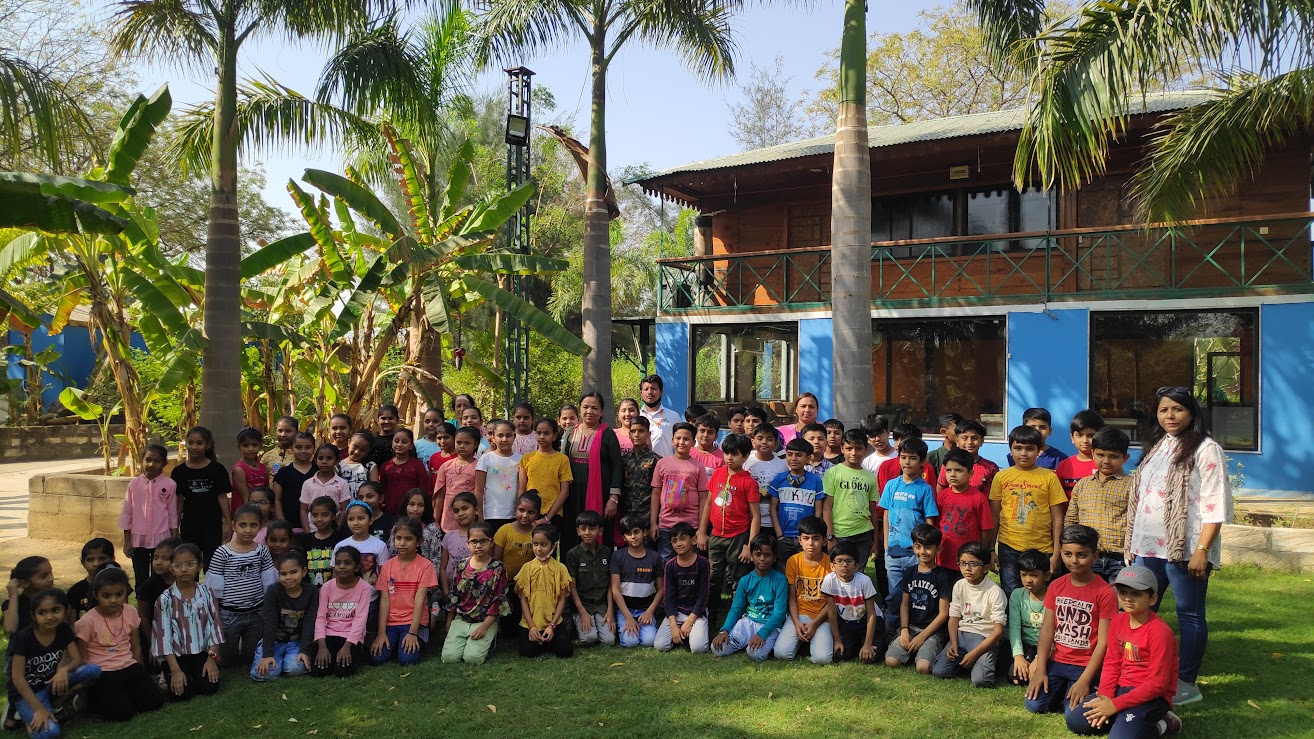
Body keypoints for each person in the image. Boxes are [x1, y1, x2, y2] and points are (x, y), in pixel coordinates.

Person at [1125, 386, 1231, 706]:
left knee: (1190, 615)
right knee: (1139, 611)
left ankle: (1186, 681)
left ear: (1192, 413)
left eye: (1177, 409)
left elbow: (1215, 504)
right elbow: (1141, 497)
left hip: (1185, 549)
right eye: (1163, 410)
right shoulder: (1158, 446)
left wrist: (1201, 550)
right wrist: (1132, 541)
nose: (1170, 416)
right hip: (1148, 547)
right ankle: (1138, 672)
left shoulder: (1206, 448)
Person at [1071, 565, 1183, 738]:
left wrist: (1116, 705)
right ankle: (1123, 720)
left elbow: (1158, 684)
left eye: (1136, 594)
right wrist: (1106, 697)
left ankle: (1163, 724)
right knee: (1075, 721)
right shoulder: (1118, 621)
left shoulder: (1160, 633)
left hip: (1150, 696)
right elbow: (1111, 663)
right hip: (1120, 688)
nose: (1128, 598)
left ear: (1152, 599)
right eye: (1123, 592)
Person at [1025, 526, 1117, 722]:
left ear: (1095, 556)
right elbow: (1047, 630)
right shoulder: (1057, 586)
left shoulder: (1105, 591)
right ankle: (1062, 692)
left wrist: (1085, 680)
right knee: (1033, 704)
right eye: (1067, 554)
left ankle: (1084, 690)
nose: (1073, 561)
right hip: (1058, 662)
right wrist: (1041, 668)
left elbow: (1104, 642)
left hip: (1086, 665)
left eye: (1081, 555)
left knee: (1075, 716)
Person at [9, 589, 101, 738]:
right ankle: (21, 712)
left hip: (53, 683)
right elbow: (17, 678)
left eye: (56, 610)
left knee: (93, 671)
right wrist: (38, 709)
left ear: (66, 611)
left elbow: (77, 659)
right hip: (28, 692)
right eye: (42, 612)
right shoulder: (23, 637)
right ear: (33, 615)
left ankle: (57, 703)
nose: (49, 617)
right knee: (49, 732)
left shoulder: (63, 629)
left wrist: (63, 670)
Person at [990, 425, 1067, 594]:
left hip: (1042, 548)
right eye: (1018, 448)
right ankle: (1013, 622)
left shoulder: (1049, 477)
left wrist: (1056, 553)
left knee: (1042, 594)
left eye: (1030, 449)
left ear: (1039, 451)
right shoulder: (1001, 477)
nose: (1023, 454)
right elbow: (994, 516)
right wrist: (990, 549)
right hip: (1009, 547)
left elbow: (1058, 517)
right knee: (1011, 592)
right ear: (1010, 449)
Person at [698, 434, 760, 625]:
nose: (729, 458)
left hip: (739, 538)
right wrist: (702, 532)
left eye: (735, 454)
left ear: (746, 456)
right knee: (713, 579)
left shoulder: (749, 482)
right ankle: (711, 619)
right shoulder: (717, 474)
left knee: (738, 580)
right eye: (726, 453)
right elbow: (708, 503)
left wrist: (749, 546)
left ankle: (736, 621)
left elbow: (755, 516)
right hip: (716, 535)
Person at [152, 543, 223, 701]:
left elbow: (215, 627)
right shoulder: (165, 599)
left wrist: (211, 660)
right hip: (176, 655)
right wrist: (175, 671)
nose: (184, 570)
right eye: (178, 566)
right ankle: (170, 673)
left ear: (199, 567)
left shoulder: (207, 593)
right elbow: (164, 637)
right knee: (181, 695)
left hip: (202, 652)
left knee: (209, 688)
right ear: (171, 569)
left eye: (190, 564)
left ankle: (196, 674)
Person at [208, 504, 276, 669]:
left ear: (260, 527)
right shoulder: (222, 553)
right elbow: (214, 588)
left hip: (255, 613)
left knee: (249, 658)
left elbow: (269, 582)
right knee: (226, 661)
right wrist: (216, 616)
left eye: (253, 525)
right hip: (229, 615)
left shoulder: (262, 551)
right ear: (234, 526)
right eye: (242, 525)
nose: (247, 530)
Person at [932, 541, 1007, 687]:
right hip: (962, 635)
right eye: (963, 563)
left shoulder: (995, 592)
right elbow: (954, 617)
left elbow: (998, 631)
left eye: (973, 564)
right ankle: (966, 661)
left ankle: (981, 661)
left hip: (985, 638)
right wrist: (953, 643)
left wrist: (975, 653)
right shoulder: (959, 585)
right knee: (939, 672)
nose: (967, 568)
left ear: (985, 568)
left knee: (981, 681)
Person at [879, 438, 940, 612]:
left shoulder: (925, 489)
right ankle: (892, 626)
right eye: (903, 457)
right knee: (894, 592)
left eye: (912, 458)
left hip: (916, 552)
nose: (907, 462)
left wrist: (929, 548)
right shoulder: (892, 485)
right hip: (893, 551)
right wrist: (885, 545)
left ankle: (914, 623)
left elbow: (930, 520)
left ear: (922, 462)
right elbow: (886, 514)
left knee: (917, 591)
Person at [1065, 427, 1133, 582]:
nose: (1106, 461)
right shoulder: (1083, 485)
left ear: (1125, 457)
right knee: (1088, 601)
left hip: (1120, 559)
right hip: (1087, 558)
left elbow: (1137, 521)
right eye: (1101, 455)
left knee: (1118, 602)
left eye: (1113, 456)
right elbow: (1071, 521)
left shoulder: (1133, 485)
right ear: (1093, 453)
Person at [884, 524, 952, 674]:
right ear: (913, 547)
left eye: (928, 547)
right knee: (891, 661)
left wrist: (922, 636)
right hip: (911, 628)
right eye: (918, 547)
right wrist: (904, 630)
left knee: (923, 667)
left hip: (932, 631)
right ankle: (912, 649)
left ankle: (924, 650)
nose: (923, 552)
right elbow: (904, 604)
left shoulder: (942, 577)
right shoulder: (909, 572)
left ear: (938, 550)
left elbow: (943, 614)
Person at [441, 521, 511, 665]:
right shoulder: (461, 566)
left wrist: (485, 626)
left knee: (472, 659)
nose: (478, 546)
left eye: (483, 541)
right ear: (468, 543)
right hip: (461, 619)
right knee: (450, 658)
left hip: (485, 620)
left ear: (491, 543)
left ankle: (489, 637)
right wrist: (449, 622)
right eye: (474, 541)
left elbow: (499, 599)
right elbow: (454, 595)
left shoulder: (498, 568)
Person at [711, 533, 788, 661]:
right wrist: (724, 631)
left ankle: (753, 641)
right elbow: (736, 609)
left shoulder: (780, 580)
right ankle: (746, 639)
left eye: (767, 555)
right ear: (751, 556)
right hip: (749, 621)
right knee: (717, 648)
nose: (762, 558)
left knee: (755, 654)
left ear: (774, 558)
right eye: (758, 554)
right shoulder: (745, 580)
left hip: (770, 625)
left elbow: (779, 613)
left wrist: (762, 634)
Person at [371, 520, 438, 665]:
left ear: (418, 542)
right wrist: (381, 632)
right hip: (391, 622)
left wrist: (413, 632)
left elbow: (420, 600)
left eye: (408, 539)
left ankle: (414, 639)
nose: (402, 543)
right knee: (378, 658)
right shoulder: (388, 566)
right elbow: (384, 600)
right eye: (398, 538)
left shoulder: (426, 566)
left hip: (413, 621)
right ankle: (396, 642)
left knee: (408, 659)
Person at [562, 393, 622, 553]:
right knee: (571, 532)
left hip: (600, 496)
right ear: (580, 409)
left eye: (595, 408)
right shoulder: (570, 433)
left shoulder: (607, 434)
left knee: (597, 531)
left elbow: (617, 467)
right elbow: (562, 463)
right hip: (572, 496)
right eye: (586, 407)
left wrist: (613, 498)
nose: (590, 411)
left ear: (601, 412)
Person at [822, 430, 881, 587]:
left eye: (858, 448)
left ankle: (858, 608)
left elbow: (873, 510)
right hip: (840, 533)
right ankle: (838, 609)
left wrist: (875, 541)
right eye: (849, 448)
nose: (854, 453)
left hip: (864, 534)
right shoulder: (833, 473)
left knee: (859, 575)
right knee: (839, 575)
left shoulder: (870, 477)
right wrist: (830, 536)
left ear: (865, 450)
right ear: (842, 449)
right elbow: (827, 507)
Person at [774, 516, 834, 664]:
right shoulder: (793, 561)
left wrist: (815, 624)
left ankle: (812, 641)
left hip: (822, 618)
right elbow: (792, 597)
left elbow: (832, 602)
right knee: (781, 653)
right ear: (799, 540)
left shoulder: (830, 565)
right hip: (799, 615)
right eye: (806, 538)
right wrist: (796, 622)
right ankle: (802, 641)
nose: (811, 544)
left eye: (816, 539)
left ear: (824, 541)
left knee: (822, 659)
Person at [251, 551, 318, 681]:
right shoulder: (273, 591)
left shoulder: (312, 591)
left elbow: (310, 622)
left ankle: (285, 661)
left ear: (304, 572)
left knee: (295, 669)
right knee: (261, 674)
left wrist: (304, 650)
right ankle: (275, 659)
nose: (288, 577)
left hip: (296, 642)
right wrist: (267, 654)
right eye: (283, 574)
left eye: (293, 572)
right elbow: (269, 622)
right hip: (274, 641)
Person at [171, 426, 233, 568]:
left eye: (199, 443)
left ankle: (210, 590)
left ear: (208, 445)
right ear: (185, 443)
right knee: (189, 562)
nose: (194, 447)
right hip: (189, 524)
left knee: (211, 564)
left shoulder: (217, 469)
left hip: (212, 525)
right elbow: (179, 501)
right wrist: (175, 526)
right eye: (191, 442)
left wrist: (228, 523)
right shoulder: (179, 472)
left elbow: (222, 497)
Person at [120, 444, 178, 590]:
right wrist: (127, 542)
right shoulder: (134, 485)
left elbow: (172, 513)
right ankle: (142, 606)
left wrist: (174, 540)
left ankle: (159, 606)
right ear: (141, 460)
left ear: (164, 464)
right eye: (148, 459)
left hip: (162, 537)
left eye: (157, 461)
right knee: (141, 576)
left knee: (160, 575)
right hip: (138, 538)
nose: (151, 464)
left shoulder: (170, 484)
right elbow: (127, 513)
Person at [650, 422, 711, 560]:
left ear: (693, 442)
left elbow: (704, 499)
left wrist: (701, 530)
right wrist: (654, 522)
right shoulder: (661, 464)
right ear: (672, 441)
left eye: (686, 439)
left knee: (690, 563)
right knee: (666, 562)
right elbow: (655, 494)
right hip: (666, 525)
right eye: (678, 438)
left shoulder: (698, 467)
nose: (681, 442)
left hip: (691, 525)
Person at [515, 523, 574, 659]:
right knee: (527, 652)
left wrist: (551, 626)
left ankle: (548, 638)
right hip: (531, 621)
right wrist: (531, 627)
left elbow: (562, 599)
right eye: (535, 544)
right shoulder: (526, 568)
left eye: (543, 545)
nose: (538, 549)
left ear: (553, 545)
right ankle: (539, 639)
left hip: (553, 621)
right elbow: (523, 599)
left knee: (566, 651)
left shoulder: (560, 569)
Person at [312, 547, 372, 678]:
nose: (342, 567)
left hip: (350, 636)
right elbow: (321, 617)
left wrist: (347, 646)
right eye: (338, 563)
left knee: (343, 671)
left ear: (356, 567)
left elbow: (360, 620)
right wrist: (321, 646)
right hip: (329, 634)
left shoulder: (364, 588)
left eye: (347, 563)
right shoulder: (327, 587)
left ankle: (354, 654)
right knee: (319, 670)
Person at [935, 448, 996, 574]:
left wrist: (982, 552)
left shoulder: (978, 498)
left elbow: (986, 528)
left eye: (958, 470)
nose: (952, 474)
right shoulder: (942, 495)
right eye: (948, 470)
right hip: (944, 556)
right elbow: (938, 522)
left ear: (971, 474)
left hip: (969, 560)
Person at [821, 542, 883, 663]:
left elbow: (871, 614)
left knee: (871, 657)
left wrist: (868, 644)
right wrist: (837, 640)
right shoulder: (829, 581)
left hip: (868, 621)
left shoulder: (864, 581)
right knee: (841, 655)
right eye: (839, 561)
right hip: (848, 622)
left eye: (849, 561)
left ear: (856, 565)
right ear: (832, 566)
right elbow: (832, 612)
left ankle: (876, 638)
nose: (844, 565)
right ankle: (854, 643)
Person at [610, 513, 664, 649]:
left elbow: (661, 589)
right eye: (628, 533)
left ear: (644, 532)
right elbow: (615, 590)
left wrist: (649, 611)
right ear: (623, 537)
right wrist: (628, 617)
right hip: (625, 610)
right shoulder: (618, 557)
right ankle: (623, 625)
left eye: (636, 532)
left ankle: (642, 626)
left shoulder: (654, 557)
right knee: (630, 642)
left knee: (649, 641)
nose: (633, 536)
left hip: (645, 609)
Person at [769, 438, 825, 568]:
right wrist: (779, 536)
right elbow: (773, 508)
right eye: (790, 454)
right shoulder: (779, 479)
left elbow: (818, 511)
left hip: (805, 538)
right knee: (783, 572)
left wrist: (811, 535)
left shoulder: (815, 481)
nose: (793, 458)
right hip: (784, 538)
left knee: (805, 570)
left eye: (799, 455)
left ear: (808, 458)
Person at [655, 522, 710, 653]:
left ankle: (690, 632)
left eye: (682, 539)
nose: (678, 544)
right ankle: (680, 634)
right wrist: (673, 626)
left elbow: (704, 595)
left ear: (693, 540)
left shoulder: (703, 563)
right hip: (676, 612)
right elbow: (669, 597)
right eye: (674, 541)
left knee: (698, 648)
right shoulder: (670, 566)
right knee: (660, 646)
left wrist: (690, 621)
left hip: (696, 613)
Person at [564, 510, 615, 647]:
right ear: (578, 531)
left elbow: (611, 584)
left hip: (602, 605)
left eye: (592, 529)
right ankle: (577, 622)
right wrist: (582, 612)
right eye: (583, 529)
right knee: (589, 639)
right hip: (583, 605)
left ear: (600, 531)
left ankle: (596, 623)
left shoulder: (607, 552)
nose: (587, 532)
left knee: (609, 641)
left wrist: (610, 610)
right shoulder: (573, 554)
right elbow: (572, 587)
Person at [518, 418, 573, 527]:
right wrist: (521, 512)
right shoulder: (526, 458)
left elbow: (564, 492)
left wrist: (548, 517)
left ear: (554, 436)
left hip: (553, 514)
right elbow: (522, 488)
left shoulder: (562, 459)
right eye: (539, 433)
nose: (542, 436)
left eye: (546, 433)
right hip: (530, 514)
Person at [1009, 549, 1050, 686]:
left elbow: (1055, 633)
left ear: (1047, 576)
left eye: (1034, 575)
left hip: (1048, 647)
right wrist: (1019, 656)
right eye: (1023, 575)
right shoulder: (1017, 595)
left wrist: (1040, 658)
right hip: (1027, 646)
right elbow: (1014, 628)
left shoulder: (1054, 596)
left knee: (1042, 673)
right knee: (1015, 676)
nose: (1028, 580)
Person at [333, 500, 390, 598]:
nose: (356, 523)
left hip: (371, 599)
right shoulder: (340, 545)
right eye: (351, 519)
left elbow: (383, 576)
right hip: (346, 599)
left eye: (361, 518)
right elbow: (335, 574)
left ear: (371, 520)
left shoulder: (379, 545)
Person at [618, 417, 660, 545]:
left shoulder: (656, 460)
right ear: (629, 434)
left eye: (641, 431)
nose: (636, 434)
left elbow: (658, 491)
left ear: (648, 434)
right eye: (633, 431)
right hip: (627, 516)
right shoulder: (623, 459)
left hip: (647, 518)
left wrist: (654, 521)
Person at [475, 420, 521, 531]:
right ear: (493, 438)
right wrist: (480, 514)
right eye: (500, 435)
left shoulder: (520, 459)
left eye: (509, 435)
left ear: (514, 437)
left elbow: (521, 487)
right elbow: (479, 490)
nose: (504, 439)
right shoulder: (486, 458)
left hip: (513, 515)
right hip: (490, 515)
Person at [136, 538, 180, 653]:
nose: (158, 562)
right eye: (155, 558)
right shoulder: (150, 585)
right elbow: (143, 616)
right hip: (155, 634)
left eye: (165, 558)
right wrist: (154, 644)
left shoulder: (185, 583)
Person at [744, 423, 788, 537]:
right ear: (753, 441)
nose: (764, 442)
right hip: (748, 519)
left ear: (775, 443)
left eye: (769, 439)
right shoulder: (746, 461)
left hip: (771, 521)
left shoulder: (782, 465)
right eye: (760, 438)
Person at [493, 492, 541, 595]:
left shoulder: (539, 533)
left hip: (531, 585)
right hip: (506, 584)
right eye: (521, 510)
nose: (525, 515)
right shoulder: (504, 531)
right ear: (515, 509)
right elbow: (495, 561)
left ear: (537, 514)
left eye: (531, 512)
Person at [433, 427, 479, 532]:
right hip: (449, 513)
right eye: (459, 442)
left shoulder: (479, 466)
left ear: (475, 444)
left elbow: (479, 493)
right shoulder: (445, 466)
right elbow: (439, 495)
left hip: (469, 513)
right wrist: (435, 519)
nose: (462, 446)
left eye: (467, 443)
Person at [935, 420, 998, 495]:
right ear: (957, 441)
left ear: (981, 441)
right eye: (964, 438)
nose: (969, 442)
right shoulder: (949, 464)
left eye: (974, 438)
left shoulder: (990, 467)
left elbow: (995, 496)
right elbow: (941, 488)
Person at [439, 492, 480, 603]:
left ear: (476, 510)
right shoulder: (448, 537)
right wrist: (446, 592)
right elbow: (442, 567)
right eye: (456, 511)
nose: (461, 513)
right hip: (452, 591)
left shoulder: (482, 537)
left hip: (475, 592)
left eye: (465, 508)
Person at [271, 432, 316, 532]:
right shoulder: (283, 473)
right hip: (290, 526)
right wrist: (284, 524)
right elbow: (276, 500)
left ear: (314, 448)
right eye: (298, 447)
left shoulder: (319, 472)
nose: (303, 451)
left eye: (308, 447)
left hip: (316, 526)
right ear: (291, 448)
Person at [1055, 410, 1105, 499]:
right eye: (1079, 435)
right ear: (1072, 438)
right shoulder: (1064, 465)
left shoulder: (1105, 464)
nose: (1085, 440)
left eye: (1090, 436)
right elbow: (1057, 498)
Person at [380, 429, 429, 516]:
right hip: (389, 510)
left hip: (412, 511)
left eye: (404, 442)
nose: (399, 445)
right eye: (396, 441)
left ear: (411, 446)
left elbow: (424, 488)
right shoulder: (386, 466)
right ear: (392, 443)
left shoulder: (417, 465)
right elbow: (382, 488)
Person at [300, 444, 350, 530]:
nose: (324, 462)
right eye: (320, 458)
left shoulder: (342, 483)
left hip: (333, 530)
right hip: (313, 530)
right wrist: (308, 532)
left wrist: (337, 530)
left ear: (337, 460)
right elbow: (303, 510)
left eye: (329, 458)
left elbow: (344, 509)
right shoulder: (308, 484)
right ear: (315, 460)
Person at [300, 497, 348, 587]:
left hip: (336, 589)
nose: (319, 519)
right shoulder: (305, 540)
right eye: (315, 515)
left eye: (324, 515)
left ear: (334, 515)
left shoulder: (341, 539)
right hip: (312, 591)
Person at [4, 556, 54, 638]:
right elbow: (10, 628)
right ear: (25, 583)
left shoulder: (54, 599)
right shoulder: (14, 604)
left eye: (51, 573)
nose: (51, 578)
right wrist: (13, 596)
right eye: (44, 576)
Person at [66, 539, 114, 620]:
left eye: (102, 559)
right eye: (90, 560)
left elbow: (124, 613)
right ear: (83, 563)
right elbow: (72, 623)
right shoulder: (75, 591)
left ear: (112, 560)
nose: (96, 564)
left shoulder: (118, 586)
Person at [639, 374, 682, 457]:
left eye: (654, 389)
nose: (650, 392)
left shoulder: (673, 416)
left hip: (667, 467)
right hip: (642, 466)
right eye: (646, 389)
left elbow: (680, 443)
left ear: (661, 392)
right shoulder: (637, 416)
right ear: (641, 393)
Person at [232, 427, 268, 513]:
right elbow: (246, 498)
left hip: (262, 512)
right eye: (246, 445)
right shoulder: (239, 469)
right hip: (245, 513)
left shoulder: (262, 467)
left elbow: (266, 492)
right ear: (239, 447)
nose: (250, 449)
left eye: (254, 445)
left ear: (260, 445)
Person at [336, 431, 378, 500]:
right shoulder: (339, 466)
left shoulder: (370, 466)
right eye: (355, 446)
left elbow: (375, 489)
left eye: (362, 450)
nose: (357, 452)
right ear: (349, 443)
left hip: (364, 506)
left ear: (368, 451)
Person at [925, 412, 964, 481]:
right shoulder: (933, 457)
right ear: (944, 432)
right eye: (957, 431)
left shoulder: (966, 455)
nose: (961, 434)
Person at [690, 414, 725, 478]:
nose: (705, 435)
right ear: (695, 434)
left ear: (716, 437)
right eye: (702, 431)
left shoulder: (722, 458)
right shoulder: (688, 454)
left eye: (710, 432)